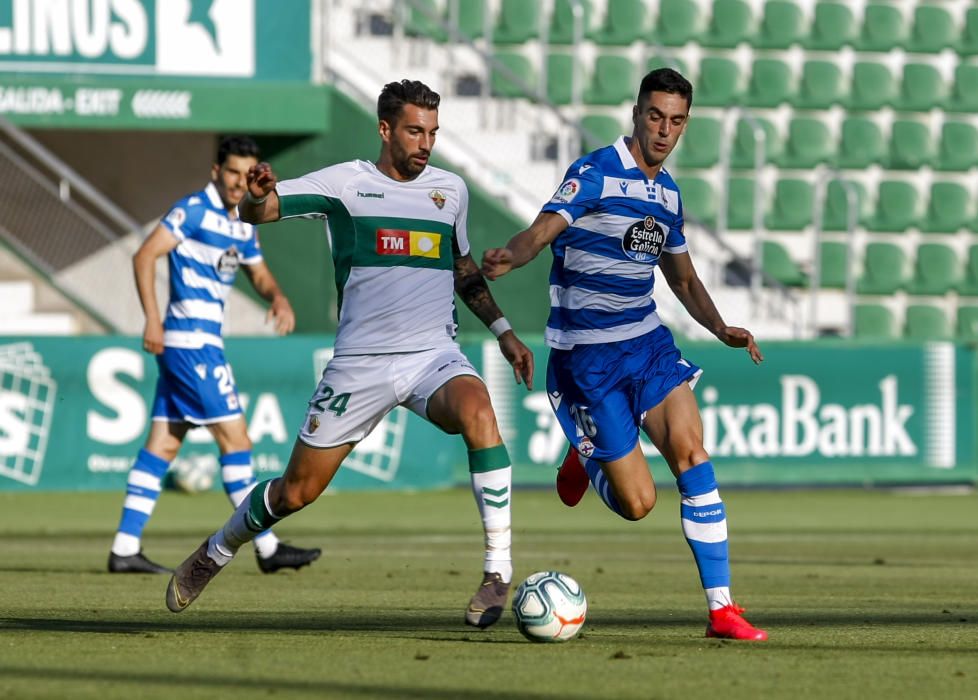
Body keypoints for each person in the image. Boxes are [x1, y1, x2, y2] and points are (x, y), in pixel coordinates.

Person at [164, 80, 535, 629]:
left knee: (480, 411)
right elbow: (255, 214)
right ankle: (217, 550)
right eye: (414, 130)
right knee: (296, 492)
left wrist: (503, 330)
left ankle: (497, 571)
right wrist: (261, 193)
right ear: (385, 129)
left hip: (433, 355)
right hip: (360, 364)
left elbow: (461, 268)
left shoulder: (450, 191)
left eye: (432, 132)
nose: (425, 142)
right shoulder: (345, 184)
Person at [481, 68, 768, 641]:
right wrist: (511, 256)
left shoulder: (669, 196)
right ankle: (585, 455)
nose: (664, 130)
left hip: (646, 346)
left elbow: (682, 280)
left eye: (677, 121)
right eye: (655, 116)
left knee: (692, 454)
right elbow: (540, 232)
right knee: (639, 504)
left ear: (686, 125)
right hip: (586, 361)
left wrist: (719, 327)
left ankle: (722, 610)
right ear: (636, 114)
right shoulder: (593, 172)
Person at [108, 135, 322, 576]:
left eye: (247, 175)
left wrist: (278, 297)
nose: (239, 182)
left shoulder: (243, 222)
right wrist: (152, 318)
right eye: (231, 173)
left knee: (164, 444)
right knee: (237, 441)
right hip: (190, 344)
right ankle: (266, 546)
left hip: (198, 345)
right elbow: (145, 255)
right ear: (214, 172)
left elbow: (258, 273)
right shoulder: (193, 210)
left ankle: (125, 547)